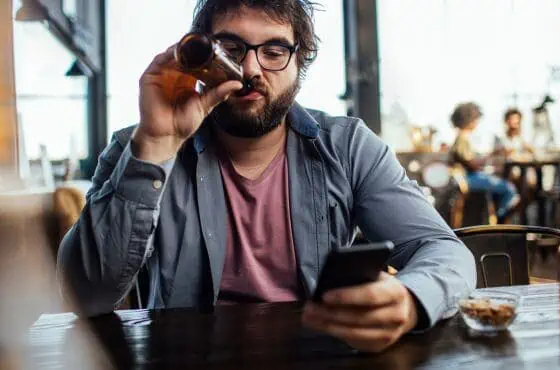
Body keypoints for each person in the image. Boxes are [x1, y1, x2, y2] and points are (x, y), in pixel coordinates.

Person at [57, 0, 476, 353]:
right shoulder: (141, 145)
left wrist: (409, 299)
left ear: (300, 63)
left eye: (274, 51)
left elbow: (442, 250)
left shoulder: (347, 146)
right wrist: (156, 145)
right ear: (202, 59)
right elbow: (85, 295)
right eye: (231, 48)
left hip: (321, 355)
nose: (251, 68)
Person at [449, 102, 520, 223]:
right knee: (510, 189)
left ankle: (495, 219)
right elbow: (473, 165)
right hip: (467, 180)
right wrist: (491, 156)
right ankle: (499, 219)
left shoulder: (461, 138)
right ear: (469, 120)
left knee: (497, 188)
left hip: (468, 177)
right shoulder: (462, 139)